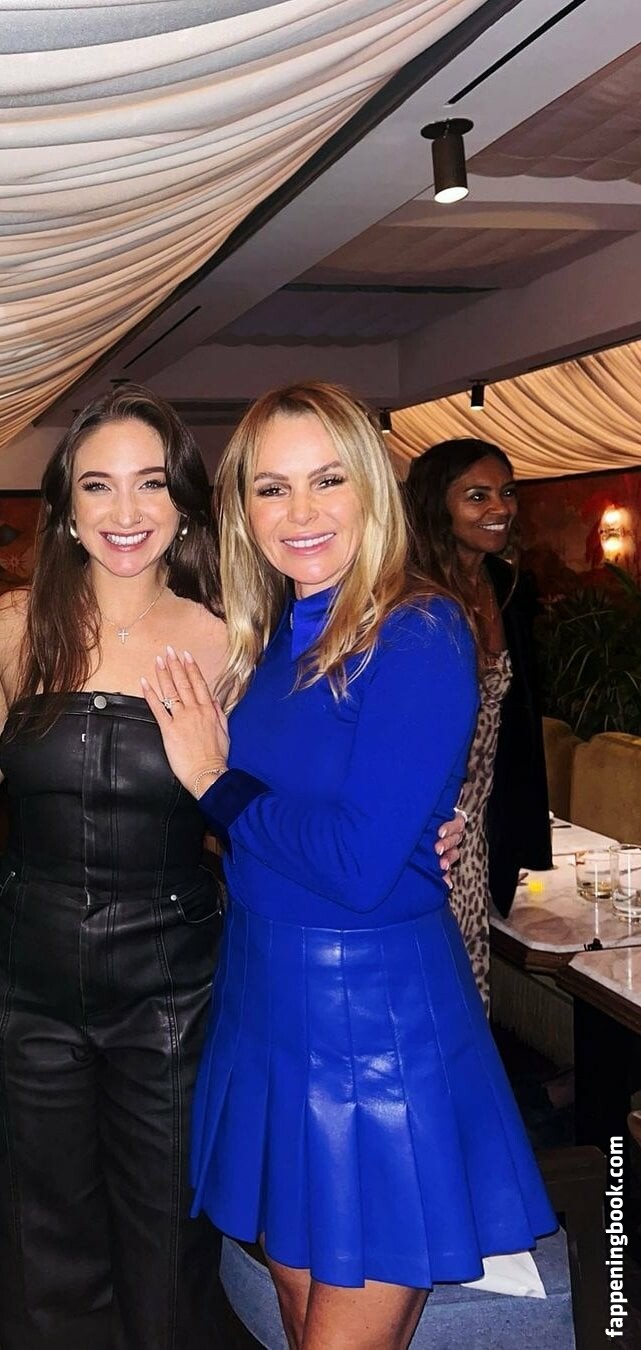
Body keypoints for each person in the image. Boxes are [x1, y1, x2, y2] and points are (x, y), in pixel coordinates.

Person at [143, 382, 557, 1350]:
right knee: (297, 1325)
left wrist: (215, 786)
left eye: (327, 480)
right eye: (272, 488)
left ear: (370, 487)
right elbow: (274, 832)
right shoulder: (262, 645)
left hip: (375, 1019)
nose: (300, 512)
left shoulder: (415, 630)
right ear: (242, 510)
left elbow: (356, 864)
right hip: (264, 998)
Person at [0, 386, 229, 1350]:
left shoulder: (231, 637)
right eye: (98, 485)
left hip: (174, 989)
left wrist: (424, 830)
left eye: (150, 483)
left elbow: (276, 806)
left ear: (183, 503)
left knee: (169, 1241)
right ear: (65, 508)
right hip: (28, 982)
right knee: (40, 1240)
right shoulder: (15, 627)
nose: (125, 511)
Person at [404, 438, 553, 1010]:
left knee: (469, 988)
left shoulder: (506, 584)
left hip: (479, 824)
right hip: (424, 826)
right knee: (425, 991)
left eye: (507, 492)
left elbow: (516, 719)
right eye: (477, 495)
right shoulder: (409, 596)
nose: (500, 508)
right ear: (436, 504)